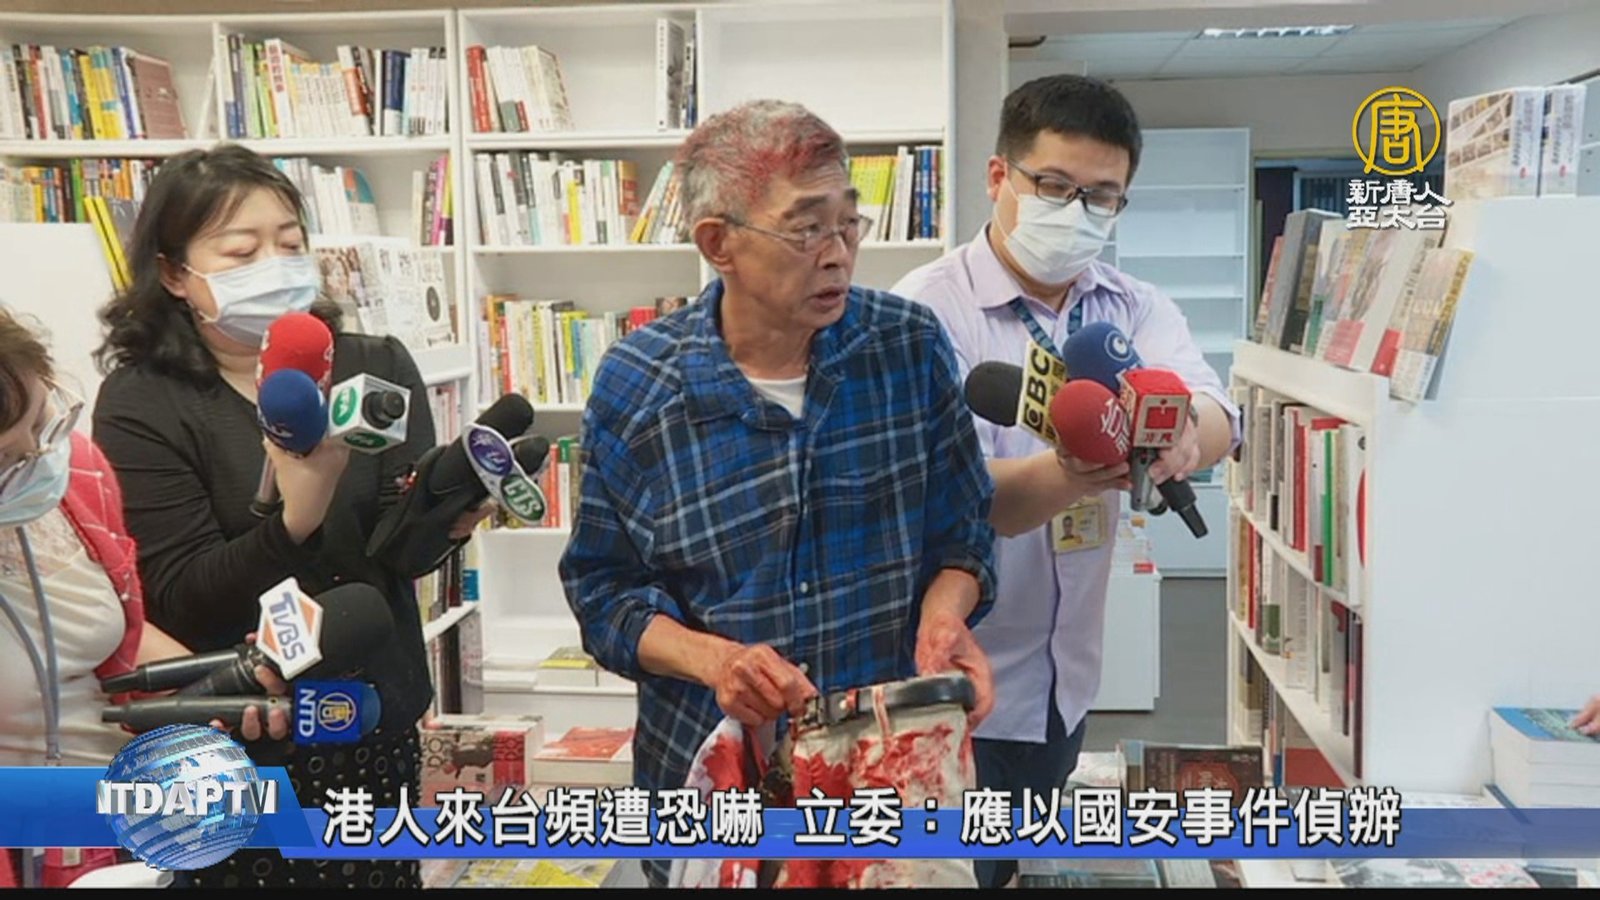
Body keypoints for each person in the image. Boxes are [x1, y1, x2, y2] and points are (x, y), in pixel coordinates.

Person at [559, 99, 999, 889]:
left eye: (849, 224)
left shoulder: (907, 348)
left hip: (884, 774)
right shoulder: (641, 384)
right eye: (806, 229)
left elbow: (962, 531)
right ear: (717, 243)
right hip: (714, 783)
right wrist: (716, 660)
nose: (838, 255)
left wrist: (946, 615)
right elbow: (603, 594)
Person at [91, 144, 485, 889]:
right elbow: (179, 594)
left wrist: (448, 516)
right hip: (238, 738)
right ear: (174, 274)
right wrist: (292, 520)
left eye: (290, 243)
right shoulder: (143, 402)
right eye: (242, 252)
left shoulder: (376, 363)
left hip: (374, 719)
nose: (273, 266)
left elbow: (394, 563)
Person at [890, 74, 1242, 888]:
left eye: (1102, 196)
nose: (1077, 212)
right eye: (1054, 186)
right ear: (999, 177)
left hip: (1065, 681)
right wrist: (1078, 469)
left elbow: (1217, 411)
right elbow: (954, 500)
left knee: (1017, 868)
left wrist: (1183, 436)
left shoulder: (1131, 306)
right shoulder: (924, 313)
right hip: (955, 684)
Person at [0, 307, 286, 887]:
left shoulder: (76, 473)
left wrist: (226, 683)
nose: (38, 454)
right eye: (8, 454)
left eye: (45, 420)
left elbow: (118, 642)